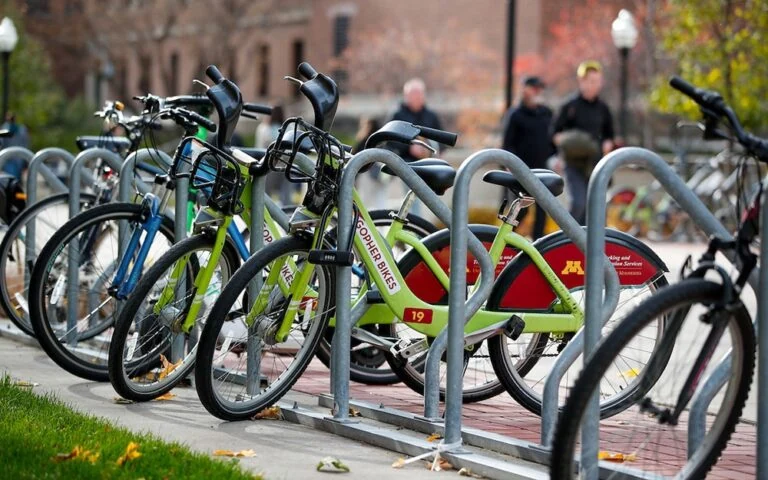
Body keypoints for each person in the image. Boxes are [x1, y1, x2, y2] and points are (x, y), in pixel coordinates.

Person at [551, 61, 615, 224]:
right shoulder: (569, 106)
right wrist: (566, 143)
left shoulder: (603, 108)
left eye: (598, 81)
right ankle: (567, 242)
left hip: (595, 163)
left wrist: (608, 144)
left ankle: (594, 247)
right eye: (592, 81)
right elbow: (554, 133)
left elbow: (610, 135)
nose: (596, 85)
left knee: (597, 207)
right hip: (573, 164)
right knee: (578, 203)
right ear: (582, 81)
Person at [500, 76, 555, 239]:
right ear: (525, 90)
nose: (538, 92)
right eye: (534, 88)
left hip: (543, 170)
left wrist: (556, 158)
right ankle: (505, 243)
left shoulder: (547, 113)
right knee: (519, 211)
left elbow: (552, 140)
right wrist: (509, 165)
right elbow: (507, 143)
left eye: (540, 89)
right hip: (521, 171)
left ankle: (539, 245)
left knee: (542, 211)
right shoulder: (515, 114)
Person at [389, 78, 444, 213]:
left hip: (428, 163)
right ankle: (413, 227)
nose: (417, 97)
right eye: (413, 94)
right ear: (406, 96)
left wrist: (435, 152)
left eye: (419, 94)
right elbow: (390, 140)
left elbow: (442, 139)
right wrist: (409, 147)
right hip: (406, 163)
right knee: (412, 198)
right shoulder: (397, 114)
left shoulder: (431, 116)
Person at [254, 105, 297, 205]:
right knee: (286, 196)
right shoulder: (289, 128)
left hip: (268, 163)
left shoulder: (263, 128)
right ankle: (285, 215)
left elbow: (259, 146)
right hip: (286, 163)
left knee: (265, 194)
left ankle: (264, 214)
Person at [0, 113, 30, 180]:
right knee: (14, 177)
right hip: (16, 156)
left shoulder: (5, 128)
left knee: (11, 177)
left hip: (10, 157)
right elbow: (26, 144)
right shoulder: (22, 129)